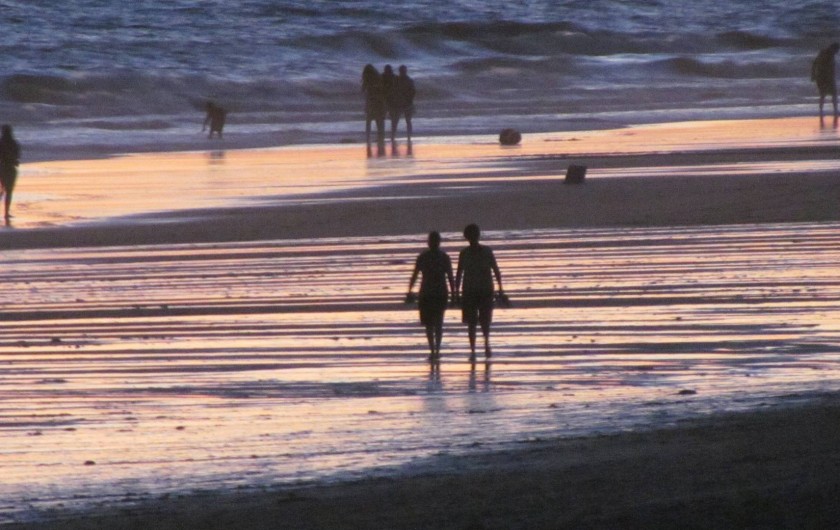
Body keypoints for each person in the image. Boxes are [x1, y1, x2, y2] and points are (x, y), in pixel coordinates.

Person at [455, 224, 505, 362]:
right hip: (482, 290)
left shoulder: (466, 253)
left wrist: (456, 292)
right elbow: (495, 270)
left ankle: (475, 349)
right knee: (483, 321)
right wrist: (500, 288)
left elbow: (459, 274)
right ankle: (484, 345)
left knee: (475, 322)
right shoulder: (483, 251)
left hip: (475, 290)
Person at [407, 231, 455, 361]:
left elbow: (415, 275)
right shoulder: (441, 257)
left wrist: (410, 290)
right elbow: (450, 277)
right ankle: (435, 350)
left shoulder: (427, 257)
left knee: (432, 324)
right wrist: (454, 293)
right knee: (435, 324)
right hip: (435, 293)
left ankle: (434, 350)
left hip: (431, 293)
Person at [361, 64, 386, 157]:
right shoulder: (378, 79)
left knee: (369, 122)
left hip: (372, 104)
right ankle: (380, 139)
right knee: (379, 123)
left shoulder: (368, 81)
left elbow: (363, 91)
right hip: (379, 104)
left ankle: (369, 139)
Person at [811, 43, 839, 124]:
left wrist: (813, 75)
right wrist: (813, 75)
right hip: (823, 78)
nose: (837, 52)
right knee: (824, 94)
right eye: (837, 50)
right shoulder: (825, 54)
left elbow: (814, 63)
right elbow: (815, 63)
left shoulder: (828, 54)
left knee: (830, 94)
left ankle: (833, 111)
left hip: (826, 78)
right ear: (833, 49)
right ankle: (823, 110)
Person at [0, 124, 21, 224]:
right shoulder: (14, 143)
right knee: (9, 191)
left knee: (2, 190)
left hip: (2, 168)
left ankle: (6, 212)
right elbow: (17, 156)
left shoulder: (1, 143)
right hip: (11, 168)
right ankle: (6, 212)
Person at [395, 65, 416, 145]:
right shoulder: (407, 80)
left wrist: (409, 100)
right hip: (403, 103)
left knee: (401, 120)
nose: (402, 72)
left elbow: (413, 92)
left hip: (404, 103)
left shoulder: (397, 80)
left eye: (403, 71)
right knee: (399, 120)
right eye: (402, 71)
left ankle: (408, 137)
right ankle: (408, 137)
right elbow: (413, 91)